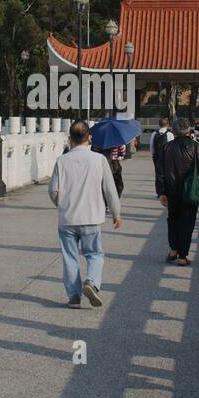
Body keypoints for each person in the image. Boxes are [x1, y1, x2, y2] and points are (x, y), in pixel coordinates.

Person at [49, 120, 122, 308]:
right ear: (89, 138)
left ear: (69, 139)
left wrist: (62, 204)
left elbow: (53, 191)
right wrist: (116, 213)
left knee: (70, 258)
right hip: (91, 217)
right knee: (95, 254)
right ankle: (91, 282)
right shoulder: (99, 160)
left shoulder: (62, 161)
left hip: (67, 218)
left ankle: (74, 297)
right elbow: (109, 189)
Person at [155, 117, 199, 266]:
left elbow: (160, 171)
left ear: (174, 130)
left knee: (172, 219)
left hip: (171, 190)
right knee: (187, 222)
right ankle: (182, 255)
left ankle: (173, 249)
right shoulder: (196, 146)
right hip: (190, 190)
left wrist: (161, 192)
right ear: (188, 130)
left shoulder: (166, 147)